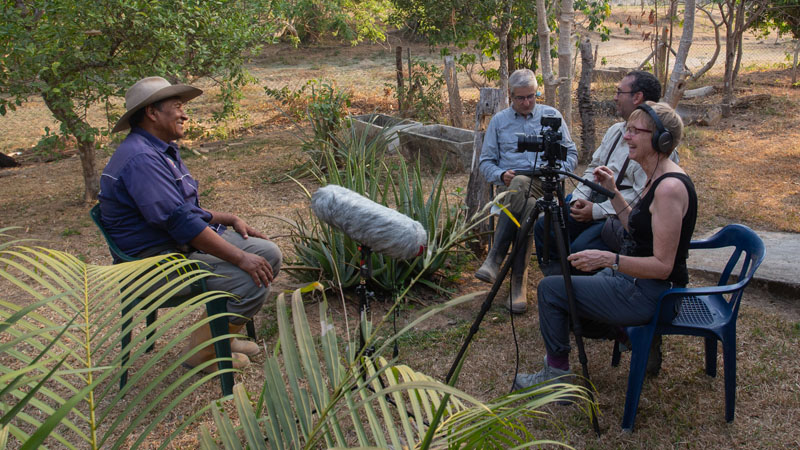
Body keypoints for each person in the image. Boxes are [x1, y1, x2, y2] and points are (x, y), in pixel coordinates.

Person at [98, 76, 282, 372]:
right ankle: (202, 353)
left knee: (268, 253)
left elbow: (182, 209)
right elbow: (180, 222)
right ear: (152, 113)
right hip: (152, 265)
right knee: (248, 276)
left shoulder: (158, 150)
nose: (185, 114)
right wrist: (240, 258)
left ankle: (220, 335)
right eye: (177, 106)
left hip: (175, 247)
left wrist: (228, 219)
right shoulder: (141, 159)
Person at [513, 101, 697, 389]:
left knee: (551, 291)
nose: (627, 137)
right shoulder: (655, 177)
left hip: (653, 294)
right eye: (628, 129)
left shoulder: (669, 189)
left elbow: (663, 267)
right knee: (570, 294)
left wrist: (609, 259)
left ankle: (557, 378)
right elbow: (637, 229)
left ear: (661, 139)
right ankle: (624, 332)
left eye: (636, 131)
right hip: (636, 283)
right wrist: (613, 193)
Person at [534, 70, 678, 276]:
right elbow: (593, 168)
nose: (615, 97)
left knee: (581, 249)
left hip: (617, 215)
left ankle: (579, 293)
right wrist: (579, 198)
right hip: (593, 202)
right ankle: (559, 284)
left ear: (637, 97)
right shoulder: (615, 131)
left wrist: (596, 211)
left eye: (620, 92)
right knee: (545, 225)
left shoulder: (653, 146)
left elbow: (640, 198)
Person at [474, 69, 578, 314]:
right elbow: (486, 162)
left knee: (523, 188)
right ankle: (517, 281)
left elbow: (571, 154)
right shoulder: (499, 121)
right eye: (520, 98)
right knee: (526, 199)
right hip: (511, 186)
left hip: (545, 183)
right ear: (510, 96)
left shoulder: (551, 116)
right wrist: (501, 175)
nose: (527, 102)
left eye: (531, 96)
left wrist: (557, 172)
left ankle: (496, 258)